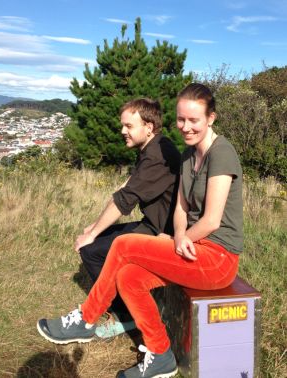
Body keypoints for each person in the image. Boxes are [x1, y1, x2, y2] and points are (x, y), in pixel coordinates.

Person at [37, 83, 243, 378]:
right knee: (128, 276)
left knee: (123, 245)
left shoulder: (222, 153)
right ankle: (161, 356)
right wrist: (178, 233)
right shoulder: (187, 155)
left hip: (218, 258)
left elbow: (211, 220)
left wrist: (180, 237)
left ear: (211, 118)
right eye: (181, 119)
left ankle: (86, 318)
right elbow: (181, 207)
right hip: (191, 247)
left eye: (194, 120)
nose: (185, 126)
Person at [75, 98, 181, 337]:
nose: (123, 131)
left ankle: (126, 316)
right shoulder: (153, 147)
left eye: (129, 126)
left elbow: (126, 201)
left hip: (164, 232)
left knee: (92, 251)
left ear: (149, 127)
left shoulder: (157, 156)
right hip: (154, 225)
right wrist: (96, 226)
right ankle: (126, 303)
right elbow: (127, 188)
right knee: (99, 240)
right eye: (122, 125)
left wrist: (91, 235)